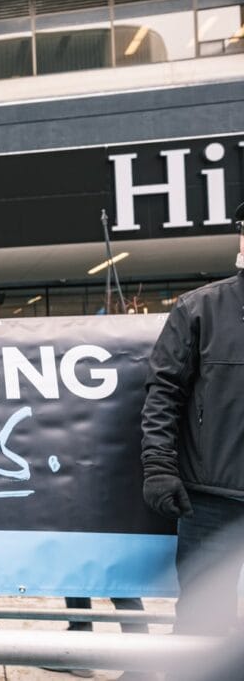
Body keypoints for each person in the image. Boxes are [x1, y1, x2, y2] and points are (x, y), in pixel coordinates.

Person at [140, 201, 244, 636]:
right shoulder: (199, 309)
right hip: (210, 503)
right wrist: (159, 469)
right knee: (203, 627)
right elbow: (163, 393)